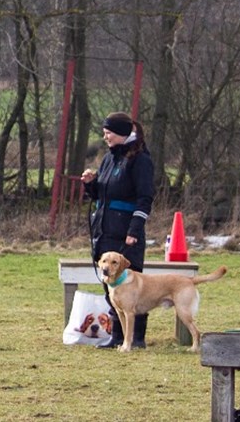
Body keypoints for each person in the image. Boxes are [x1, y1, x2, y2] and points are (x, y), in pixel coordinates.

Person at [81, 112, 155, 349]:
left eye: (109, 133)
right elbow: (103, 194)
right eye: (104, 133)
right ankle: (118, 336)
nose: (106, 138)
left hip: (126, 233)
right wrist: (91, 184)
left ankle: (137, 339)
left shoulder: (141, 160)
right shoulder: (109, 159)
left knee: (132, 287)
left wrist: (134, 229)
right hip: (105, 230)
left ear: (123, 134)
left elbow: (145, 198)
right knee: (109, 286)